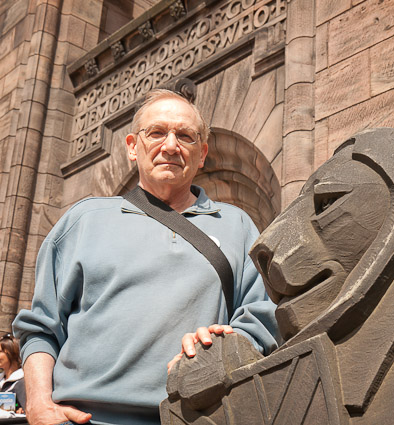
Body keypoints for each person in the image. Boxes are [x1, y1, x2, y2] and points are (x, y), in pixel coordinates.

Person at [12, 89, 279, 425]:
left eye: (185, 136)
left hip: (192, 417)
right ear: (132, 147)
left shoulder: (238, 226)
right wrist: (38, 405)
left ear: (202, 154)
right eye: (156, 132)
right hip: (82, 418)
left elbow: (262, 320)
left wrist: (223, 346)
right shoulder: (83, 220)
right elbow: (40, 328)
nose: (170, 146)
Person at [0, 334, 26, 414]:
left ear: (12, 353)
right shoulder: (1, 381)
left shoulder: (23, 382)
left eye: (0, 352)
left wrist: (21, 411)